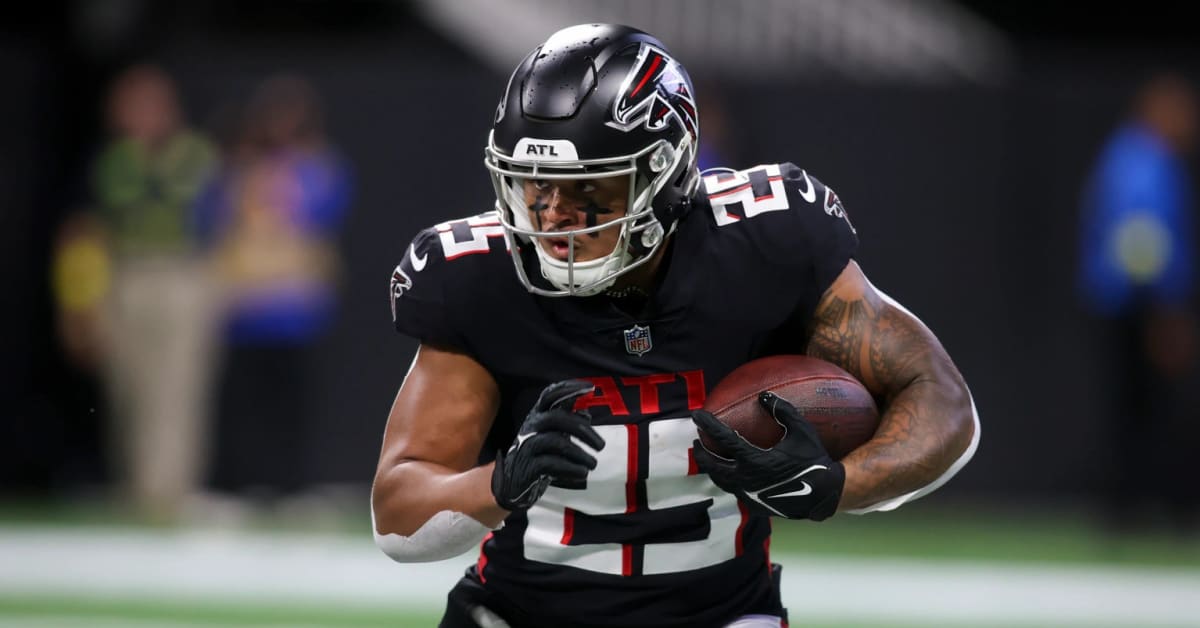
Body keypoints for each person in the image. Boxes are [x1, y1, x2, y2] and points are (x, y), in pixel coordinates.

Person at [373, 24, 980, 628]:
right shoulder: (480, 280)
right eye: (533, 183)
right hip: (518, 613)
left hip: (723, 616)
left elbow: (942, 401)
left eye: (587, 185)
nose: (552, 214)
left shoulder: (765, 246)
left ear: (664, 175)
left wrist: (835, 485)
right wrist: (498, 483)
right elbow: (397, 513)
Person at [196, 74, 352, 500]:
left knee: (291, 401)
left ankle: (290, 484)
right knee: (241, 400)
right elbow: (213, 216)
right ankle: (235, 483)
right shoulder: (239, 168)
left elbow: (324, 212)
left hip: (293, 304)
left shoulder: (317, 167)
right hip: (246, 303)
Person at [84, 63, 219, 522]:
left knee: (176, 385)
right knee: (128, 385)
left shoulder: (196, 155)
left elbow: (219, 218)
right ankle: (135, 487)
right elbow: (89, 230)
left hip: (182, 274)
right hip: (125, 274)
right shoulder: (112, 161)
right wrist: (83, 299)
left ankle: (169, 493)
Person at [1077, 72, 1199, 533]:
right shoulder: (1144, 162)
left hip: (1123, 304)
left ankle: (1132, 508)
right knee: (1144, 410)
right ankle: (1139, 510)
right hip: (1135, 307)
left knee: (1133, 409)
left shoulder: (1127, 155)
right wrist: (1162, 313)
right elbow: (1142, 243)